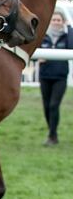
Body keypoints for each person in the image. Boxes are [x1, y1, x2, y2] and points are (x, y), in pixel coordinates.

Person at [38, 11, 70, 146]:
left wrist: (69, 28)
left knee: (53, 105)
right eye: (54, 20)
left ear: (63, 22)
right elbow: (33, 51)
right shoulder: (44, 37)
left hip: (60, 77)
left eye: (59, 20)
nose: (56, 22)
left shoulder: (67, 36)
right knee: (46, 106)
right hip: (45, 76)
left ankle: (53, 135)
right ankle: (52, 133)